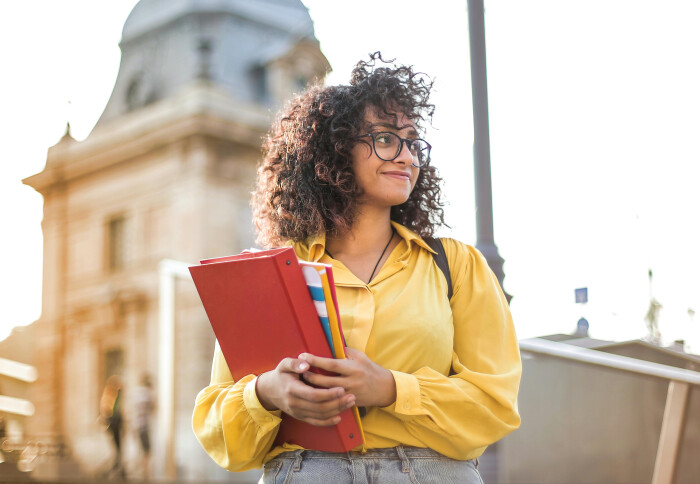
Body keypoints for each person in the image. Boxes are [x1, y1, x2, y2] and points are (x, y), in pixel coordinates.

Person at [192, 52, 521, 483]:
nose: (407, 156)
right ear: (335, 150)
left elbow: (495, 406)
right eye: (385, 138)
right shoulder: (272, 273)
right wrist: (267, 393)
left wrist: (390, 388)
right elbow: (222, 433)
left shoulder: (456, 266)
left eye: (413, 140)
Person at [100, 375, 125, 478]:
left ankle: (120, 469)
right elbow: (107, 411)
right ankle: (116, 469)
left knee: (118, 449)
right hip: (113, 424)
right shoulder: (109, 396)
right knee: (116, 449)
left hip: (116, 424)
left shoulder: (115, 396)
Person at [132, 373, 155, 479]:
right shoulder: (146, 394)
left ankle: (141, 472)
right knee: (147, 451)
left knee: (141, 450)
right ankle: (144, 474)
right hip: (143, 426)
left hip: (136, 425)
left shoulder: (137, 393)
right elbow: (152, 407)